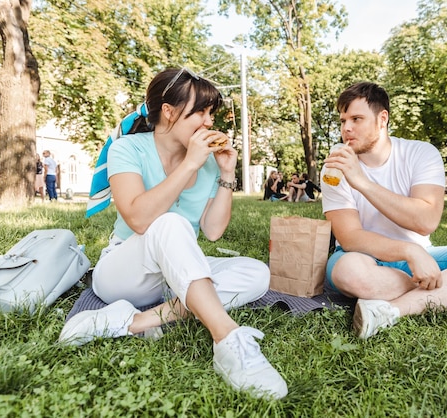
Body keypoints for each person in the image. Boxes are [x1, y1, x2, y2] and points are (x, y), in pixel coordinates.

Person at [58, 68, 287, 399]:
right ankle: (228, 338)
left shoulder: (208, 163)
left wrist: (225, 174)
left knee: (257, 273)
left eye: (212, 114)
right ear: (168, 111)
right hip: (126, 272)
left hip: (175, 275)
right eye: (201, 113)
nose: (209, 122)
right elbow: (138, 219)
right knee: (171, 223)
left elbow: (212, 230)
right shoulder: (128, 149)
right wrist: (189, 165)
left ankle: (138, 322)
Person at [320, 82, 447, 340]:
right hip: (361, 255)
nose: (346, 128)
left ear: (382, 119)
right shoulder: (335, 167)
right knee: (349, 273)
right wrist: (408, 251)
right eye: (343, 120)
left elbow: (426, 221)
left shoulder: (420, 153)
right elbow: (349, 237)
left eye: (357, 119)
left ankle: (391, 310)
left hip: (421, 255)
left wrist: (364, 183)